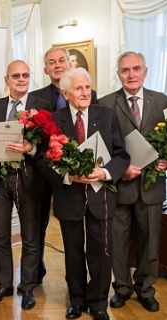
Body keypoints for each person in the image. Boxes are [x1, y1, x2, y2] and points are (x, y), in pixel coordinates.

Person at [36, 68, 130, 320]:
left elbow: (122, 155)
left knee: (101, 252)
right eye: (78, 88)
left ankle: (98, 303)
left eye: (87, 87)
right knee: (73, 253)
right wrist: (68, 176)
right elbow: (43, 162)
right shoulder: (54, 121)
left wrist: (105, 172)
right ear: (65, 93)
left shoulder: (107, 116)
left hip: (102, 198)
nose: (85, 92)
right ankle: (77, 300)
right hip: (70, 197)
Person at [98, 51, 167, 313]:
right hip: (120, 184)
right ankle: (121, 288)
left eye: (136, 69)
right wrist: (120, 169)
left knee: (150, 240)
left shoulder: (163, 100)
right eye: (125, 70)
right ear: (118, 74)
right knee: (118, 240)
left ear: (145, 71)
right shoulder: (105, 103)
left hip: (152, 186)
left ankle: (146, 289)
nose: (131, 74)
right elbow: (101, 147)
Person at [0, 60, 49, 311]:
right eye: (15, 76)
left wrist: (31, 148)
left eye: (25, 75)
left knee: (31, 237)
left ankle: (28, 287)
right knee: (0, 236)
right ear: (6, 80)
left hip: (29, 179)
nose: (21, 79)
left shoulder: (42, 107)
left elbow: (50, 143)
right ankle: (4, 284)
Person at [29, 47, 99, 289]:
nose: (57, 65)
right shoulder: (35, 98)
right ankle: (35, 274)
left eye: (61, 60)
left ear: (70, 64)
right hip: (42, 175)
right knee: (37, 229)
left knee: (84, 235)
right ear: (45, 69)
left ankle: (87, 287)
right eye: (51, 62)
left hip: (79, 180)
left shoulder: (91, 95)